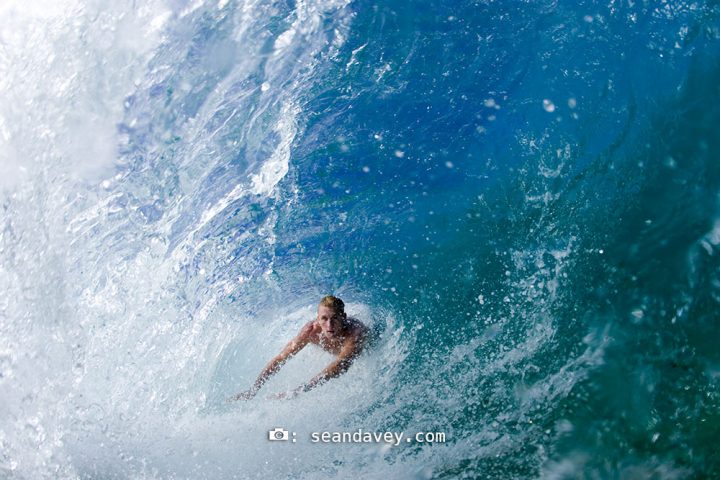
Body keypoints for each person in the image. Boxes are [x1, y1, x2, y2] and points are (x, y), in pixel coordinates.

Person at [230, 295, 370, 400]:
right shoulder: (311, 331)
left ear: (343, 317)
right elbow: (281, 358)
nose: (329, 325)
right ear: (317, 318)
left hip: (370, 347)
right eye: (324, 319)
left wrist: (299, 390)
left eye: (335, 318)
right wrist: (254, 390)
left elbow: (341, 365)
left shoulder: (355, 333)